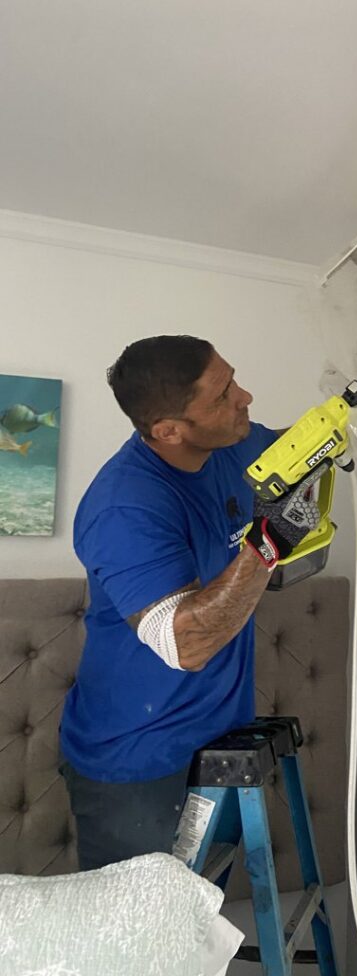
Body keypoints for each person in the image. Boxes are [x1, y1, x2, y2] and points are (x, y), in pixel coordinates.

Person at [59, 335, 307, 871]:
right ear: (169, 431)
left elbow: (297, 447)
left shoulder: (232, 445)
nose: (245, 396)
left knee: (196, 917)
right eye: (222, 396)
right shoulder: (124, 507)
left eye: (233, 379)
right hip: (138, 761)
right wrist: (267, 544)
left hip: (217, 739)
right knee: (137, 943)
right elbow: (183, 641)